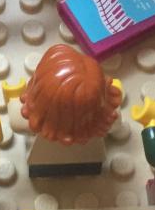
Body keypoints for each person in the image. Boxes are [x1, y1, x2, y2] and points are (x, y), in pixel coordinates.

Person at [7, 43, 123, 176]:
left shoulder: (20, 116)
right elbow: (116, 122)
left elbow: (16, 121)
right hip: (91, 159)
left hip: (42, 160)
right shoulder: (112, 118)